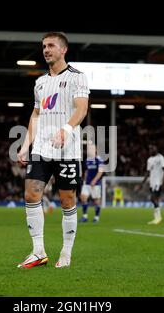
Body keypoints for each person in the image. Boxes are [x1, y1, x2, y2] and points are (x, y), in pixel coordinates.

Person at [16, 32, 90, 269]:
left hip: (67, 150)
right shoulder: (39, 82)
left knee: (67, 200)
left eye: (51, 46)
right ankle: (38, 252)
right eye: (44, 46)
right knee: (31, 195)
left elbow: (81, 109)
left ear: (63, 50)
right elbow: (36, 115)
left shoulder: (78, 77)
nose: (46, 50)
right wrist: (25, 144)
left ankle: (66, 254)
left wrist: (66, 130)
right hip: (41, 148)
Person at [138, 144, 164, 224]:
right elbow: (147, 172)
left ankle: (158, 217)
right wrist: (142, 184)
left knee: (152, 198)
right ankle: (157, 218)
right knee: (155, 199)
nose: (150, 150)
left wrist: (163, 181)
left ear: (156, 150)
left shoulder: (160, 158)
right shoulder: (149, 160)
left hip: (158, 182)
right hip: (152, 182)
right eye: (150, 149)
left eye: (152, 149)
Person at [80, 143, 105, 223]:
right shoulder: (87, 160)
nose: (89, 150)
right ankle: (85, 216)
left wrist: (94, 180)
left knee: (96, 201)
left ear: (95, 150)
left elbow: (100, 171)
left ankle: (96, 217)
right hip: (87, 183)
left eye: (91, 149)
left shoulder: (99, 159)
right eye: (89, 149)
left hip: (96, 183)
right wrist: (84, 179)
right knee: (83, 197)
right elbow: (87, 171)